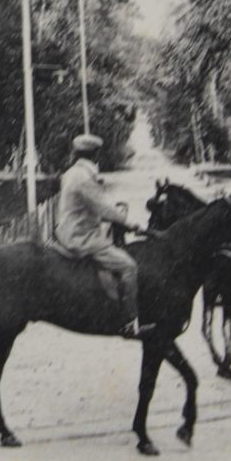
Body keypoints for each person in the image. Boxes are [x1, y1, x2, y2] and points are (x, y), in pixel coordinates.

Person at [53, 133, 148, 337]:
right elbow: (103, 208)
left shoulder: (72, 173)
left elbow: (94, 205)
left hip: (71, 228)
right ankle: (130, 323)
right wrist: (132, 224)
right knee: (129, 266)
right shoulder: (83, 177)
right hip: (81, 236)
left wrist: (114, 212)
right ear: (95, 154)